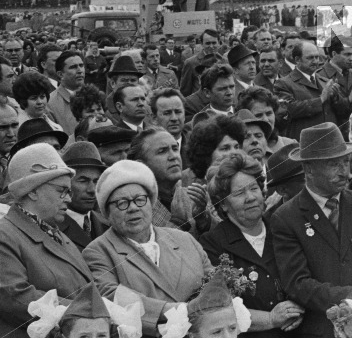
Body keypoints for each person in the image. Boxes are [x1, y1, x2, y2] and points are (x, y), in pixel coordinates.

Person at [83, 159, 213, 336]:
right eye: (122, 203)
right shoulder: (98, 251)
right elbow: (111, 297)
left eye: (140, 199)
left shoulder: (184, 239)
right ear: (107, 213)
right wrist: (176, 310)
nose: (133, 208)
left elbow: (215, 282)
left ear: (151, 203)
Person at [270, 123, 352, 337]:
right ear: (308, 169)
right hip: (322, 331)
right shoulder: (286, 217)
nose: (344, 171)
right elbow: (297, 284)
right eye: (333, 164)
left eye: (345, 161)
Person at [200, 152, 305, 336]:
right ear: (223, 204)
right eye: (239, 193)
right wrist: (270, 319)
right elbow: (219, 306)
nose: (250, 197)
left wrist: (300, 309)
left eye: (254, 188)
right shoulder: (213, 243)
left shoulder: (282, 226)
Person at [0, 144, 94, 337]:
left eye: (69, 192)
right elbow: (15, 296)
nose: (68, 199)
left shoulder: (60, 236)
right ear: (32, 191)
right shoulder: (5, 234)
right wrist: (88, 313)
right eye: (62, 190)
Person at [127, 129, 209, 235]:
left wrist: (203, 219)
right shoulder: (135, 207)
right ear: (141, 165)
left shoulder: (193, 195)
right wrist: (178, 222)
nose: (173, 156)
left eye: (175, 149)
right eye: (162, 151)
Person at [273, 41, 342, 141]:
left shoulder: (325, 81)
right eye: (310, 58)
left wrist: (336, 98)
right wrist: (321, 99)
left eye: (317, 57)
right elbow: (289, 110)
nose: (315, 61)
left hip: (330, 141)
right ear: (297, 59)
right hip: (305, 143)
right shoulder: (283, 83)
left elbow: (343, 111)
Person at [58, 141, 108, 250]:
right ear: (65, 183)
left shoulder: (107, 225)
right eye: (83, 181)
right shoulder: (52, 227)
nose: (92, 190)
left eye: (96, 181)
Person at [186, 115, 244, 183]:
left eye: (236, 147)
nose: (235, 153)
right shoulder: (195, 189)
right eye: (225, 148)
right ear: (207, 156)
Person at [48, 50, 85, 137]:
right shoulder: (50, 104)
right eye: (73, 67)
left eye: (81, 65)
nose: (80, 70)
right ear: (60, 74)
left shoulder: (94, 96)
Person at [179, 30, 224, 97]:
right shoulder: (191, 63)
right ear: (201, 43)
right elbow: (185, 91)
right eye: (208, 43)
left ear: (218, 43)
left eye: (214, 43)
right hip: (200, 105)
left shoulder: (224, 61)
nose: (211, 46)